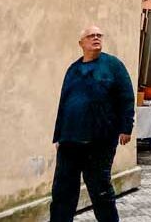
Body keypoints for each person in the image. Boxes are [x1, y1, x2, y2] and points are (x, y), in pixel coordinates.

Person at [50, 24, 134, 222]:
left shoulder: (113, 66)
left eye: (99, 35)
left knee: (100, 191)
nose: (96, 38)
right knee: (62, 191)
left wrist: (126, 127)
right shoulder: (73, 69)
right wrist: (59, 136)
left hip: (100, 141)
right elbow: (64, 104)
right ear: (81, 43)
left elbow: (126, 96)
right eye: (91, 36)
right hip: (70, 141)